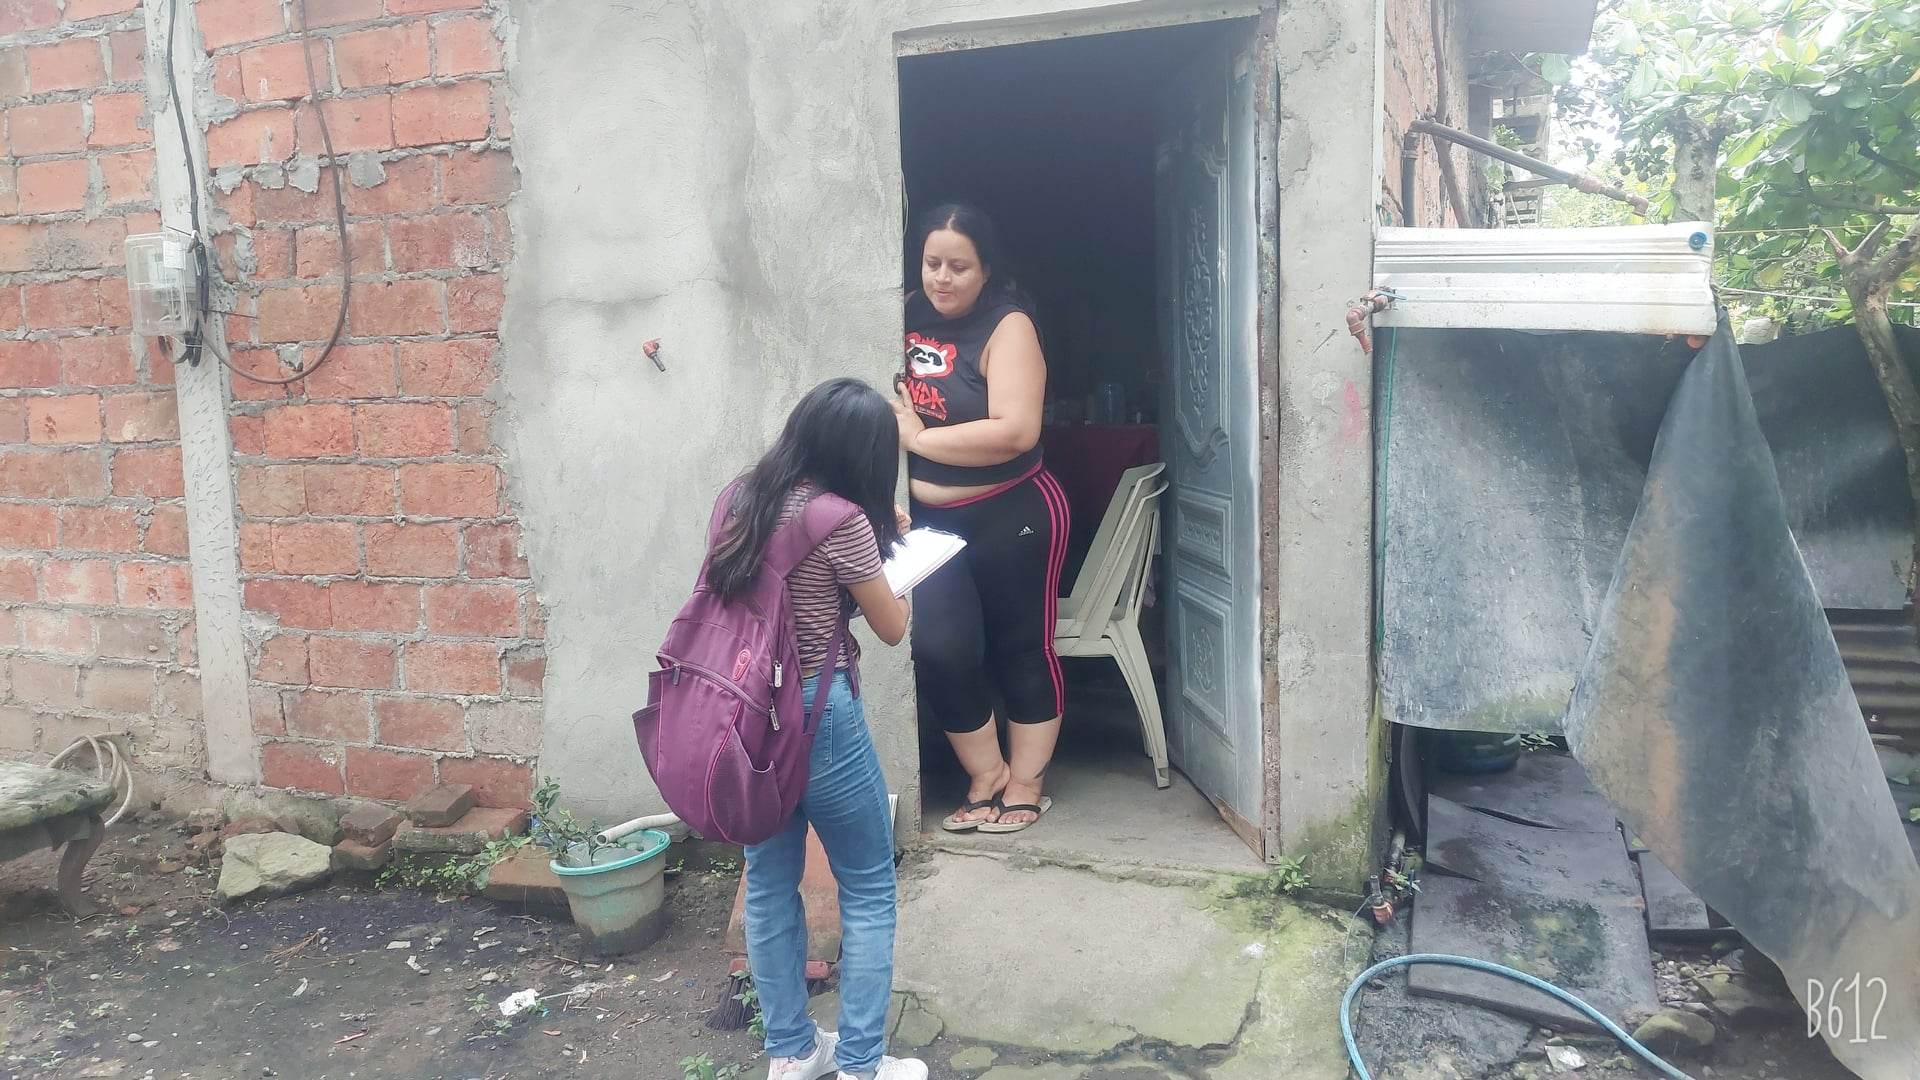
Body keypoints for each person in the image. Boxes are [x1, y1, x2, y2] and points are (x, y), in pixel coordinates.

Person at [710, 379, 924, 1080]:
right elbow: (892, 628)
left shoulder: (740, 501)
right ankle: (860, 1065)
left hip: (749, 713)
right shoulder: (842, 520)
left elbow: (777, 596)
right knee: (867, 885)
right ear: (864, 456)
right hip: (818, 711)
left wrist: (870, 544)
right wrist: (902, 562)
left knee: (769, 881)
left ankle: (793, 1052)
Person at [894, 203, 1068, 835]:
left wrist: (920, 441)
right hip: (927, 526)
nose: (942, 278)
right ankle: (987, 773)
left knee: (1022, 646)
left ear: (986, 269)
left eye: (959, 267)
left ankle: (1026, 783)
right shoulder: (902, 315)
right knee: (938, 646)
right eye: (932, 263)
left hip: (1012, 511)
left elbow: (1015, 431)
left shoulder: (1008, 325)